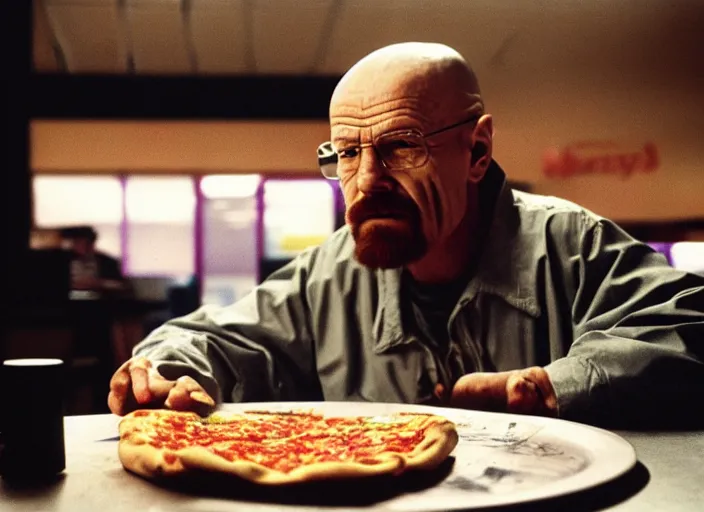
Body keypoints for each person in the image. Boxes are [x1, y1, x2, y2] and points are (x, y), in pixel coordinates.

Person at [108, 42, 704, 428]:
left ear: (476, 151)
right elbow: (219, 339)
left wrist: (553, 387)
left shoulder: (569, 245)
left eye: (400, 146)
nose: (366, 181)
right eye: (345, 153)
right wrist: (161, 368)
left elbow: (690, 328)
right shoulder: (328, 275)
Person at [61, 226, 127, 293]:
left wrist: (100, 283)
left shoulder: (108, 261)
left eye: (87, 243)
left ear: (93, 243)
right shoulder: (61, 260)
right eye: (78, 242)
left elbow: (121, 285)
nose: (83, 247)